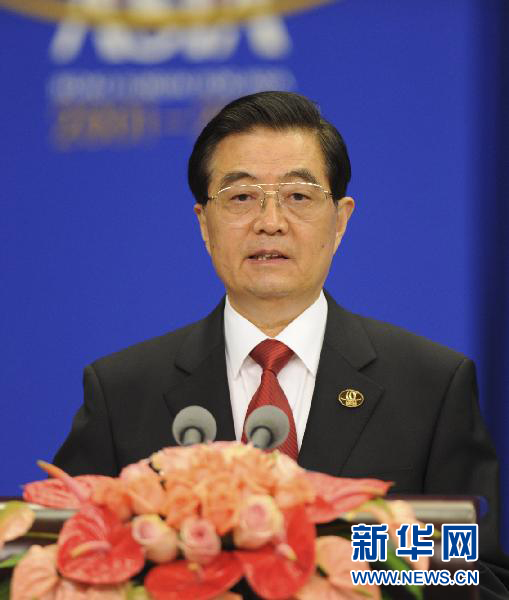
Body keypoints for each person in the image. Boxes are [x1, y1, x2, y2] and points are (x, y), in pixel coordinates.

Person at [54, 91, 508, 597]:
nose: (270, 221)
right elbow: (60, 564)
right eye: (241, 197)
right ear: (204, 224)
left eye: (298, 196)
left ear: (340, 220)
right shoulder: (122, 392)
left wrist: (349, 572)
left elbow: (479, 578)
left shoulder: (430, 386)